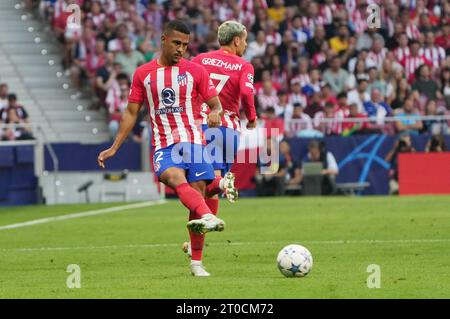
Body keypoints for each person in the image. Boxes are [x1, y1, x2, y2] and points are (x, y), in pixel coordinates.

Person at [97, 20, 225, 277]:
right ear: (164, 40)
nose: (181, 49)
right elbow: (131, 113)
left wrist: (216, 113)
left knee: (197, 196)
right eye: (177, 43)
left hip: (193, 140)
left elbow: (216, 105)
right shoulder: (143, 74)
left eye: (186, 45)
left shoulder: (196, 71)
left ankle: (197, 264)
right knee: (175, 178)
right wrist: (115, 147)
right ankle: (212, 206)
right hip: (164, 143)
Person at [184, 20, 257, 261]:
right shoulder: (243, 65)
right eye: (244, 40)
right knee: (210, 186)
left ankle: (195, 242)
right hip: (227, 130)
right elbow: (246, 93)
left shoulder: (200, 59)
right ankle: (196, 241)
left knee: (200, 186)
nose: (245, 45)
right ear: (236, 40)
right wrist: (252, 118)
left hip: (199, 126)